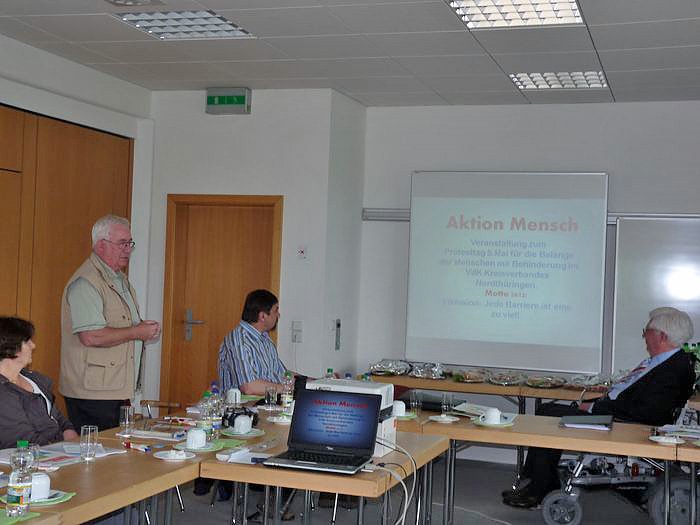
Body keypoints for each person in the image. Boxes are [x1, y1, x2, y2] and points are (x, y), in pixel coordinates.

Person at [503, 306, 696, 509]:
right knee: (546, 412)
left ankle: (539, 487)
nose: (644, 337)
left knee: (548, 418)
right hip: (615, 414)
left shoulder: (672, 369)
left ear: (661, 336)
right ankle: (538, 481)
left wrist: (594, 408)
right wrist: (596, 403)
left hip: (624, 424)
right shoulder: (664, 362)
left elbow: (647, 412)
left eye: (646, 332)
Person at [59, 215, 160, 431]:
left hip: (114, 387)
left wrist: (143, 328)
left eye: (129, 243)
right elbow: (91, 336)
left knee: (114, 447)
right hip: (92, 393)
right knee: (97, 449)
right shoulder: (86, 283)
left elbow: (123, 323)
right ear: (100, 245)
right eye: (122, 243)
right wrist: (137, 332)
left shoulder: (120, 279)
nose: (127, 249)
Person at [0, 317, 78, 449]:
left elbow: (57, 417)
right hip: (33, 456)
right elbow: (22, 440)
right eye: (27, 341)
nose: (33, 346)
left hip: (58, 451)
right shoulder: (3, 393)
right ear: (10, 348)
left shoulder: (34, 379)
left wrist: (71, 438)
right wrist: (63, 450)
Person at [218, 289, 287, 395]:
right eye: (275, 311)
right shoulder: (239, 341)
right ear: (262, 316)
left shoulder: (265, 339)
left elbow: (282, 374)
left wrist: (308, 382)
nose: (278, 315)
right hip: (244, 404)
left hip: (268, 401)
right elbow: (249, 387)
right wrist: (285, 389)